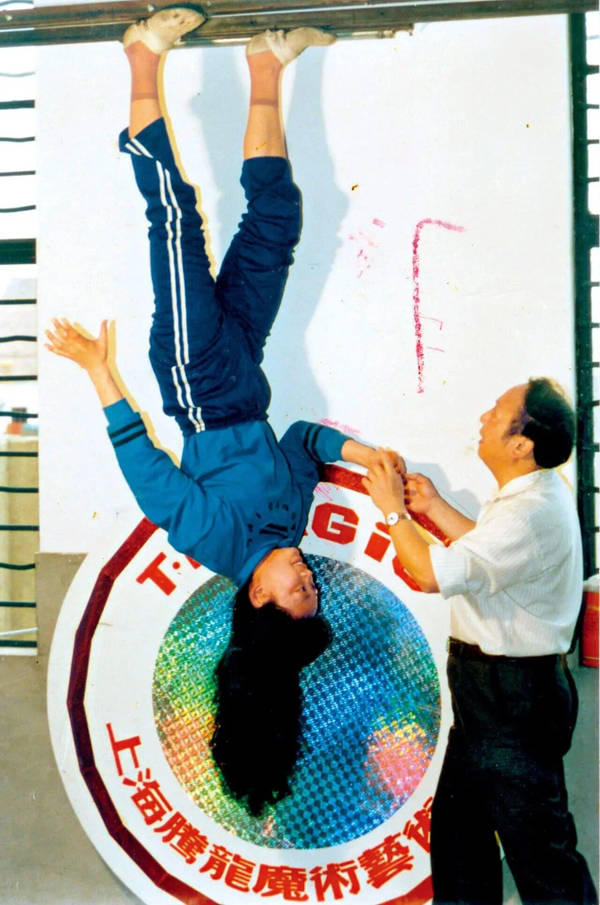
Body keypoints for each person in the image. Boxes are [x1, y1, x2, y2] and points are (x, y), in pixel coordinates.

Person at [46, 7, 401, 815]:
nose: (307, 575)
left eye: (297, 590)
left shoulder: (216, 540)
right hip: (246, 367)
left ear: (258, 598)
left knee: (173, 216)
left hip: (198, 377)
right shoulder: (289, 523)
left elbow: (150, 475)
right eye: (313, 586)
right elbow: (303, 440)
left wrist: (102, 374)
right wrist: (359, 453)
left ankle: (141, 58)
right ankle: (266, 62)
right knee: (277, 223)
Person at [363, 378, 597, 905]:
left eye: (497, 413)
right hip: (492, 698)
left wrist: (394, 511)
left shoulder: (529, 510)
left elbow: (430, 574)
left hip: (511, 700)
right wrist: (434, 506)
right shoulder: (531, 495)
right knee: (460, 845)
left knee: (543, 860)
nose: (483, 419)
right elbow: (491, 558)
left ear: (521, 445)